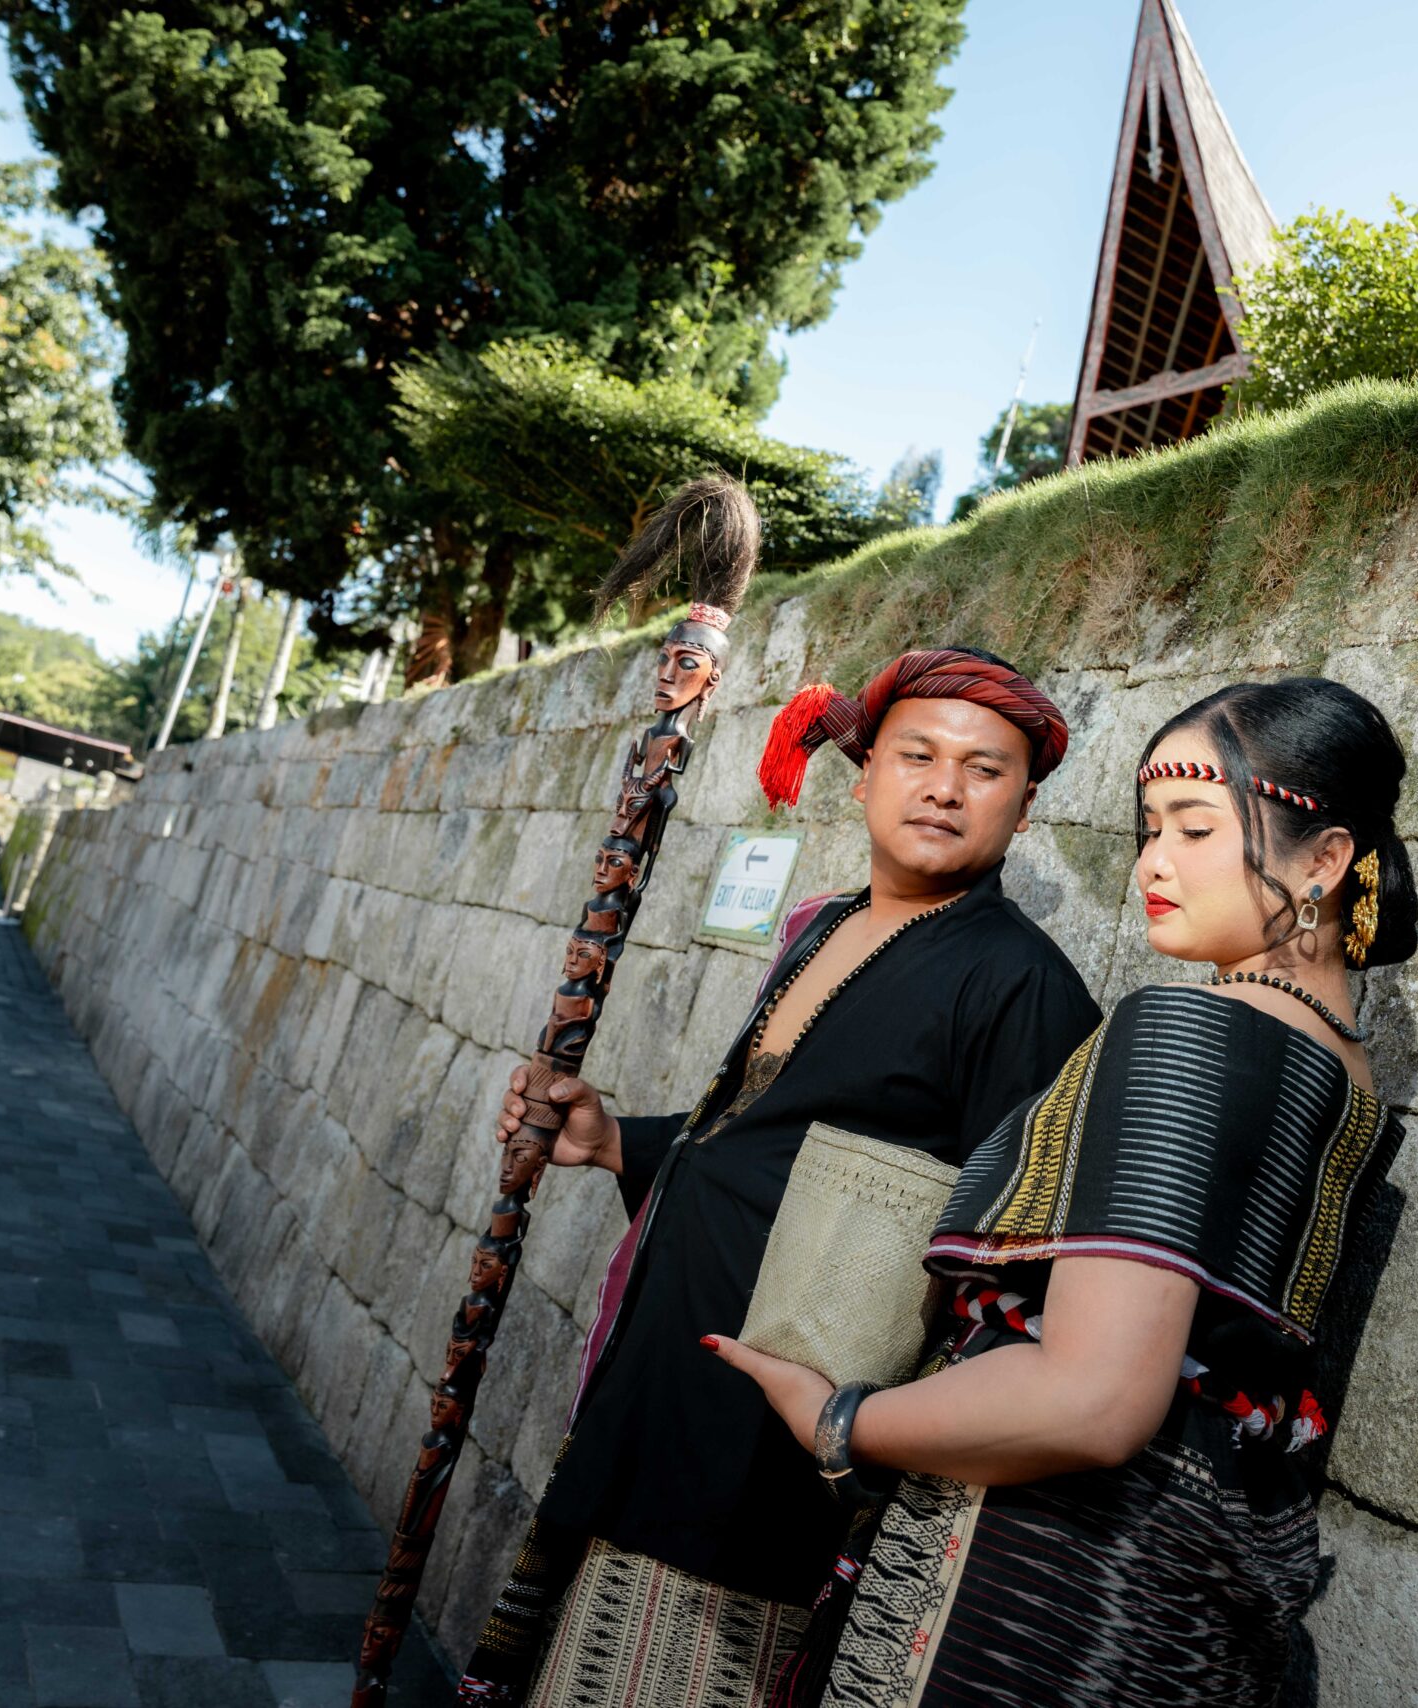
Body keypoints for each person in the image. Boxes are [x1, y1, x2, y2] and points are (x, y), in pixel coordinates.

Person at [710, 677, 1418, 1708]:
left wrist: (839, 1420)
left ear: (1323, 860)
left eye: (1194, 828)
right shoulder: (1344, 1076)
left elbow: (1092, 1398)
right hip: (1179, 1609)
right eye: (1150, 829)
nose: (1152, 863)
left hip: (1026, 1599)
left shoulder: (1190, 1034)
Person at [456, 648, 1104, 1708]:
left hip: (770, 1463)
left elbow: (1008, 1275)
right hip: (662, 1393)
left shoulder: (1023, 989)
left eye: (985, 770)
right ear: (865, 777)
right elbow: (767, 1146)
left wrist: (870, 1440)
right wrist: (615, 1139)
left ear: (1024, 808)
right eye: (918, 756)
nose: (945, 788)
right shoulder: (827, 927)